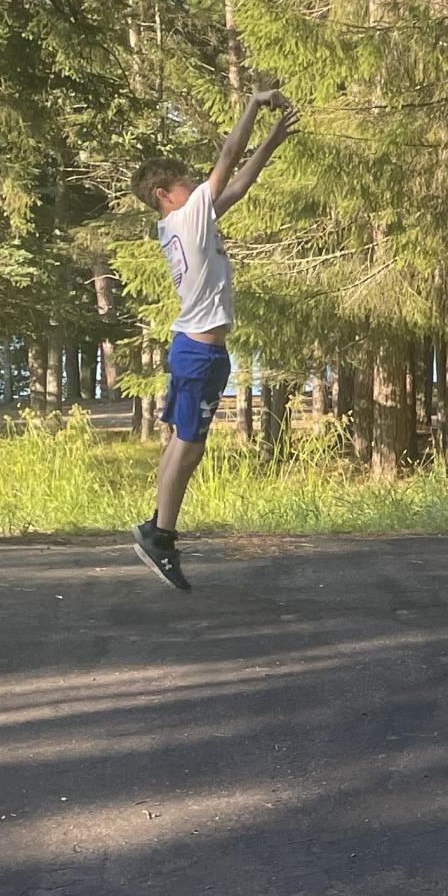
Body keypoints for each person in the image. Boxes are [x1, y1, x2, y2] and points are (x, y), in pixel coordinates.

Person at [130, 87, 296, 590]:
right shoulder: (184, 218)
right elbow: (227, 160)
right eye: (185, 182)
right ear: (164, 194)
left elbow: (238, 185)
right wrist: (254, 104)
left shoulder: (183, 224)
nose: (195, 185)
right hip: (200, 352)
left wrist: (271, 142)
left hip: (198, 349)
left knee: (183, 442)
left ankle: (155, 529)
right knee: (189, 445)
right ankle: (161, 536)